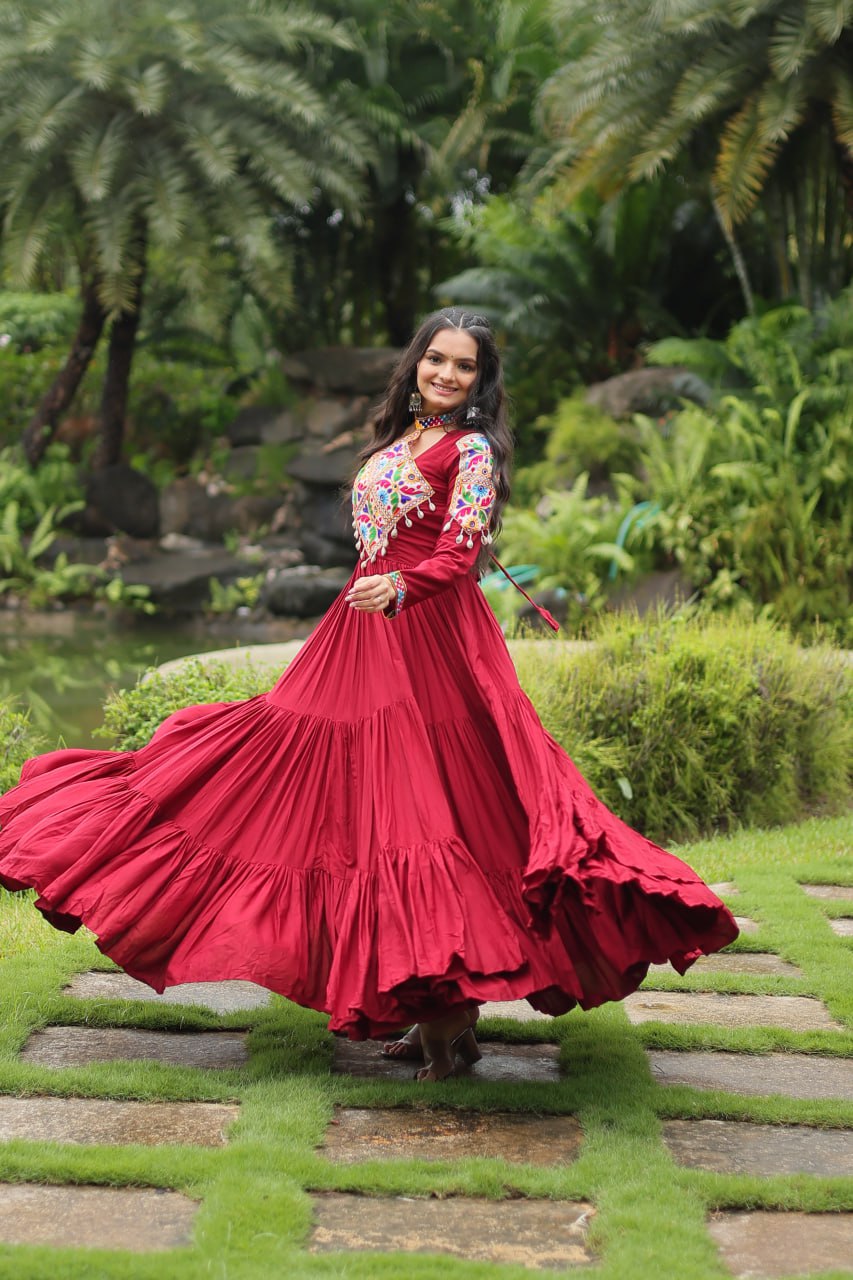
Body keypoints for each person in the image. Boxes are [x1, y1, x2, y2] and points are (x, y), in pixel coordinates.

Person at [0, 308, 738, 1082]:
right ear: (415, 363)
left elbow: (459, 551)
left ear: (483, 380)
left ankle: (447, 1016)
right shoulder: (401, 437)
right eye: (436, 360)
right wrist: (379, 588)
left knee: (436, 809)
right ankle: (435, 1012)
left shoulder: (472, 450)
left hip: (427, 638)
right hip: (359, 632)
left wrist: (401, 586)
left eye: (464, 367)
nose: (447, 375)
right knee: (323, 791)